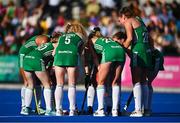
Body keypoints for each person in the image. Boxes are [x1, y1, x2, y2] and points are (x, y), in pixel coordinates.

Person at [118, 6, 153, 117]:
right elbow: (150, 38)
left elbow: (129, 38)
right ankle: (146, 110)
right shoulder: (140, 20)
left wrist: (120, 48)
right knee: (144, 81)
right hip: (146, 50)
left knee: (136, 80)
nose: (120, 21)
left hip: (138, 50)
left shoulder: (129, 21)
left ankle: (137, 110)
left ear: (124, 16)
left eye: (120, 18)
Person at [88, 27, 126, 117]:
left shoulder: (90, 41)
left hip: (109, 52)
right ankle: (115, 110)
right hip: (120, 51)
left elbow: (94, 57)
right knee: (115, 82)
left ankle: (100, 110)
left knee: (100, 82)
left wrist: (99, 67)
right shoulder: (107, 38)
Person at [21, 33, 61, 116]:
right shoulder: (57, 46)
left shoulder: (47, 44)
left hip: (27, 59)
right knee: (47, 84)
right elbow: (53, 56)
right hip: (36, 60)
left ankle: (26, 108)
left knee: (30, 85)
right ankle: (49, 110)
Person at [53, 23, 87, 116]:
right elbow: (81, 52)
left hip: (59, 55)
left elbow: (54, 52)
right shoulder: (81, 36)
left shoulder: (62, 36)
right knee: (72, 84)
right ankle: (72, 109)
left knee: (59, 84)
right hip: (71, 54)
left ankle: (58, 110)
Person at [19, 35, 50, 114]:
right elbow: (41, 51)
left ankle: (38, 106)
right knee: (27, 82)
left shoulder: (48, 38)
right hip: (24, 56)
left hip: (33, 57)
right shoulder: (45, 40)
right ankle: (24, 106)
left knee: (38, 82)